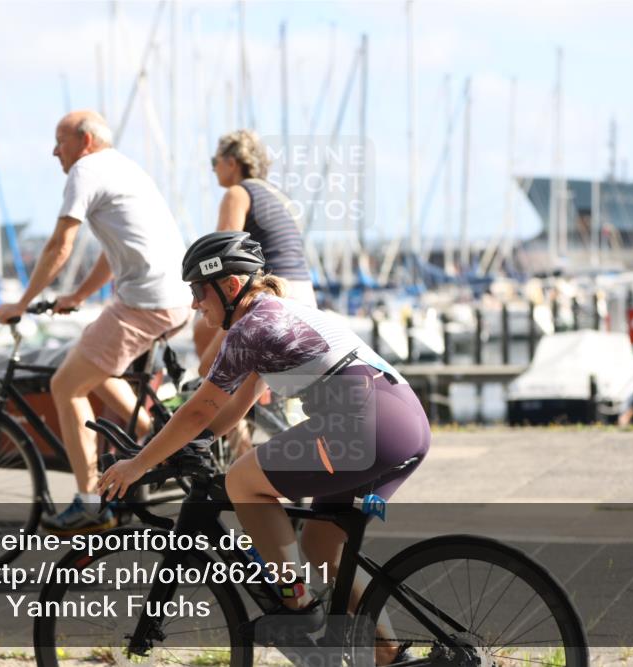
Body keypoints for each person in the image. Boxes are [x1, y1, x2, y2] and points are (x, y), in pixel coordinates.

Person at [98, 231, 430, 664]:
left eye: (199, 290)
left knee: (243, 480)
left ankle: (296, 607)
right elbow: (228, 412)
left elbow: (200, 410)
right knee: (321, 548)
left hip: (365, 426)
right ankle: (390, 654)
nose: (196, 303)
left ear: (230, 286)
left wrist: (138, 464)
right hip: (402, 422)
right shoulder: (280, 314)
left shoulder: (253, 327)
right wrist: (184, 444)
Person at [0, 110, 192, 534]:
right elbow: (113, 250)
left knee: (65, 384)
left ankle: (90, 503)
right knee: (92, 359)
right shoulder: (125, 168)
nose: (54, 151)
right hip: (169, 297)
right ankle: (155, 435)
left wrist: (21, 303)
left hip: (146, 301)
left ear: (84, 140)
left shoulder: (86, 169)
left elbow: (59, 244)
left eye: (59, 141)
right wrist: (78, 296)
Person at [193, 129, 316, 378]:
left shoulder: (238, 193)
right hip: (304, 297)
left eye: (214, 162)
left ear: (231, 162)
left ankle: (229, 413)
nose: (213, 168)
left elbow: (221, 257)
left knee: (209, 365)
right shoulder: (279, 195)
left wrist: (197, 297)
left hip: (274, 295)